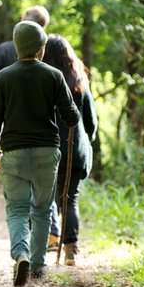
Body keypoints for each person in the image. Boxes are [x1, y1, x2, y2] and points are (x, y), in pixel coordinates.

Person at [0, 21, 80, 287]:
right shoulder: (53, 75)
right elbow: (71, 116)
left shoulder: (3, 77)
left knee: (16, 209)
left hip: (13, 152)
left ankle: (21, 254)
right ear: (40, 48)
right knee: (42, 209)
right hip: (47, 152)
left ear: (16, 46)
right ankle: (38, 266)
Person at [0, 6, 63, 249]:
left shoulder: (4, 55)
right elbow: (69, 109)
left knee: (17, 206)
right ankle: (47, 244)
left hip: (13, 141)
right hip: (46, 143)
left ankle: (21, 253)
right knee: (43, 203)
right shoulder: (55, 58)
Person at [41, 35, 97, 266]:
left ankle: (49, 241)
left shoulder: (43, 81)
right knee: (70, 199)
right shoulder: (79, 81)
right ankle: (71, 250)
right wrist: (88, 138)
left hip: (49, 147)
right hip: (76, 148)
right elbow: (90, 120)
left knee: (49, 198)